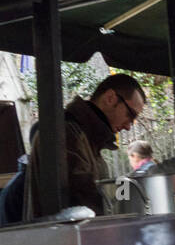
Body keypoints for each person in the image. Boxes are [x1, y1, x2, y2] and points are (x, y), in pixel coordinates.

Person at [15, 74, 146, 218]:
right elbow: (83, 199)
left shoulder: (87, 138)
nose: (129, 126)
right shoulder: (67, 134)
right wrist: (128, 202)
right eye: (130, 114)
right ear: (110, 98)